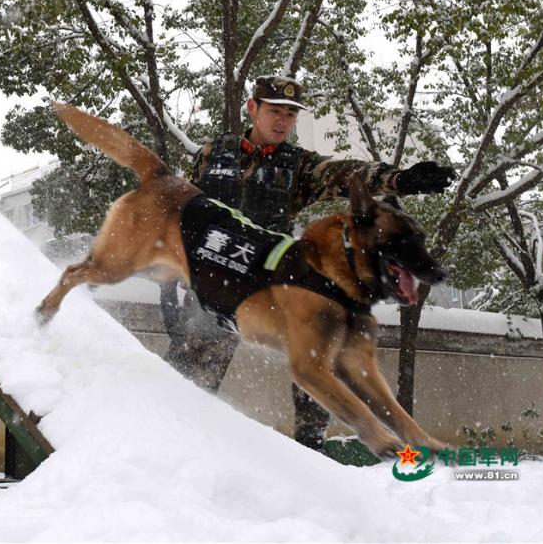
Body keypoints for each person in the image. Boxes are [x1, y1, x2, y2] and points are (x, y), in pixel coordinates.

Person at [165, 74, 454, 452]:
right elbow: (179, 211)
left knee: (317, 367)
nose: (282, 121)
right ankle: (169, 448)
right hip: (216, 286)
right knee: (185, 384)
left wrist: (399, 180)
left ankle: (310, 459)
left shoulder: (296, 166)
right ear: (253, 108)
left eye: (290, 114)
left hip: (274, 287)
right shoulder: (212, 155)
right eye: (274, 111)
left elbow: (345, 174)